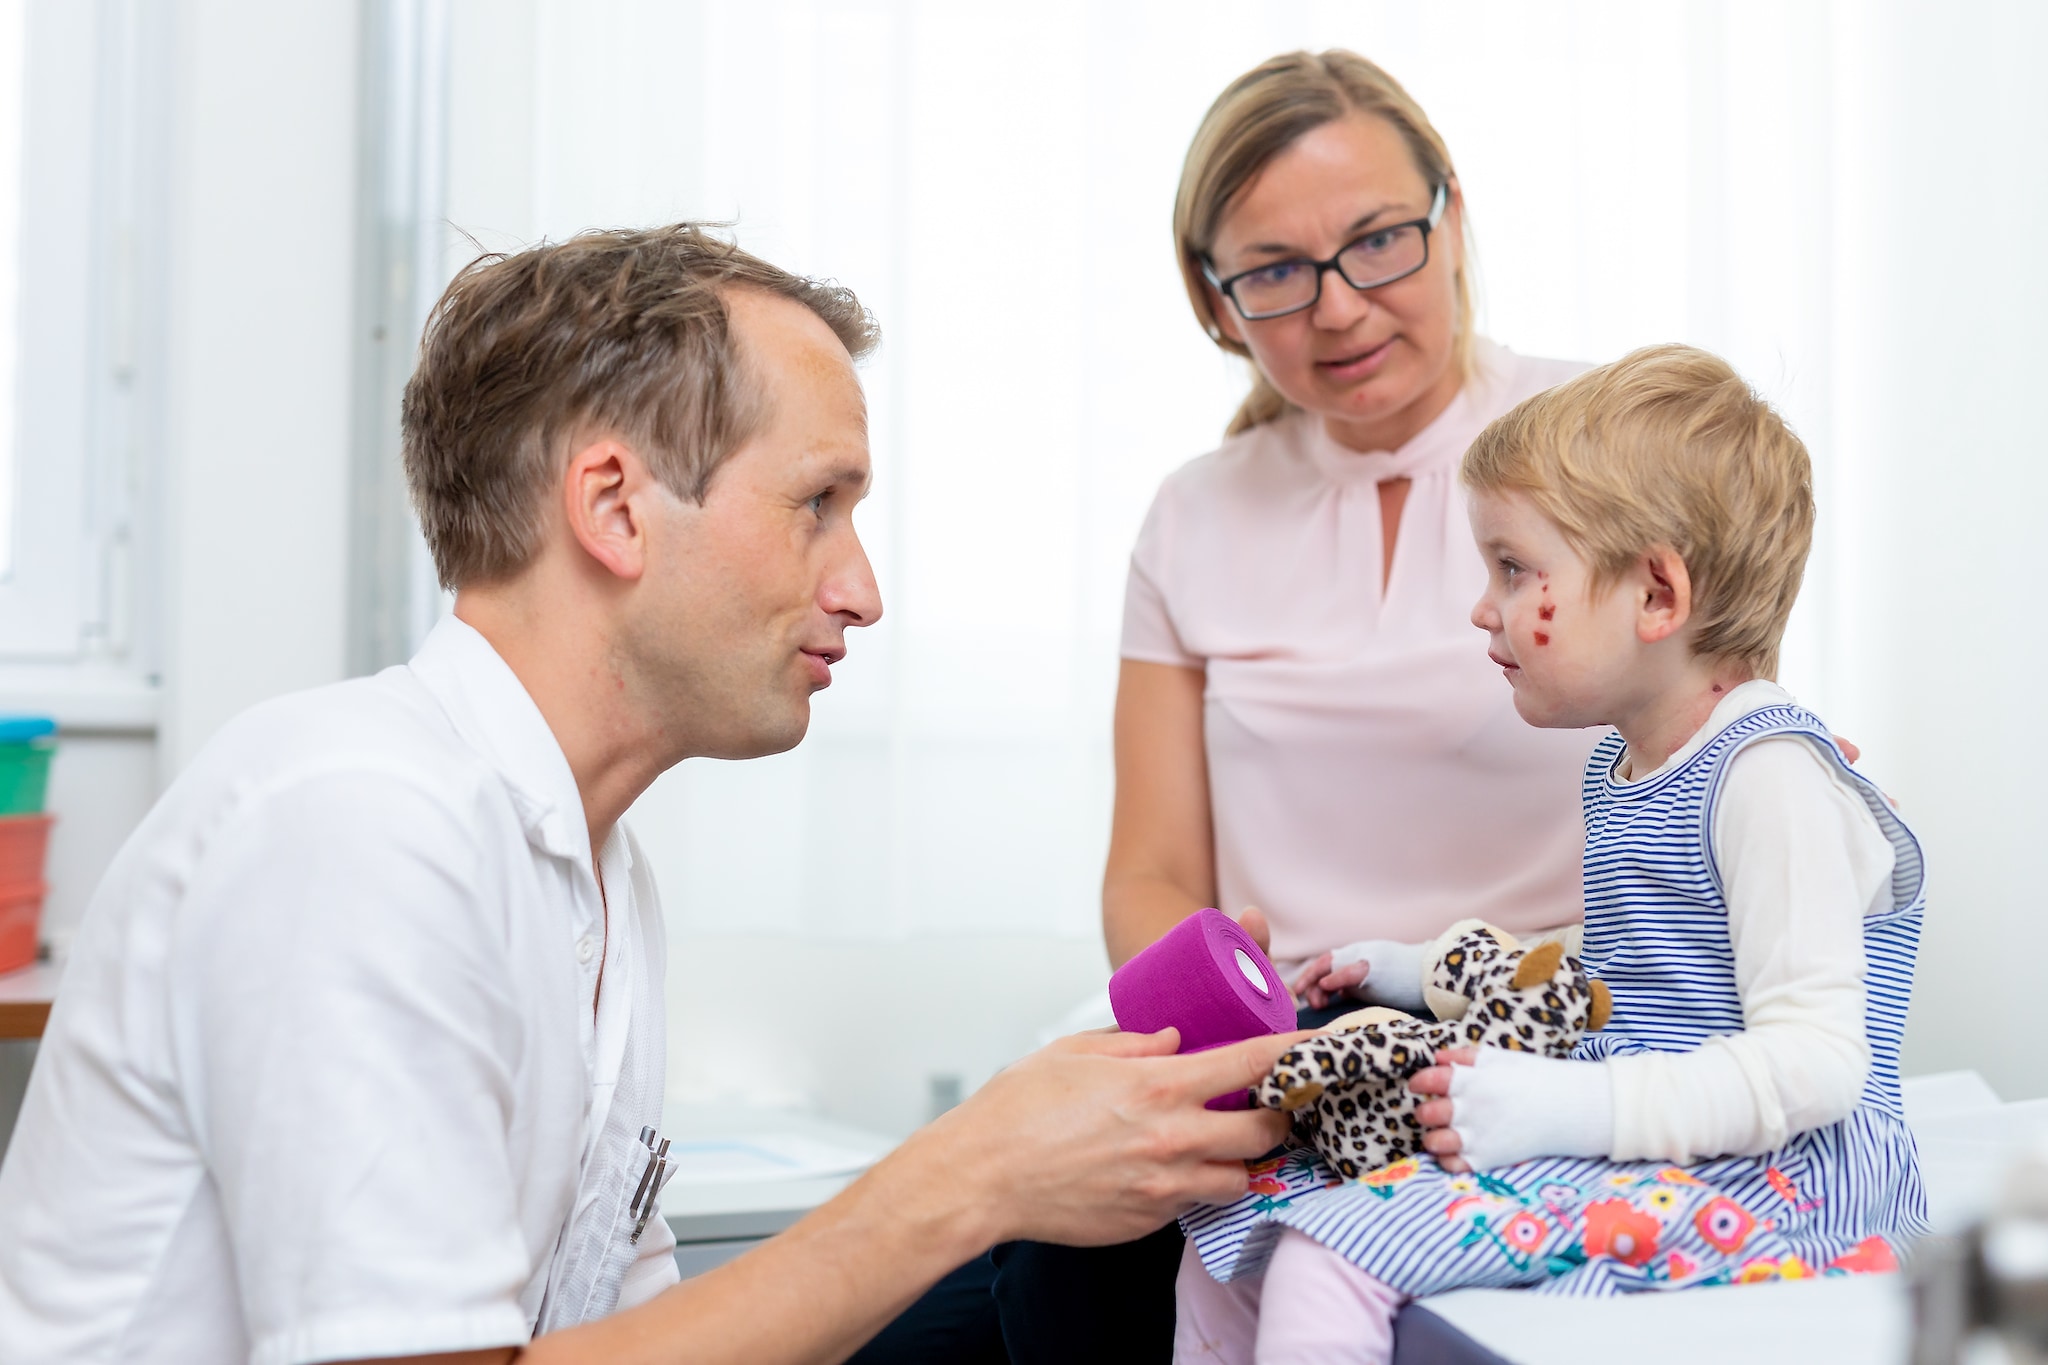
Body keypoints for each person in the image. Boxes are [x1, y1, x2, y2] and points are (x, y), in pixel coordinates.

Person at [0, 226, 1301, 1365]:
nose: (862, 589)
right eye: (818, 505)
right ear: (616, 507)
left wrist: (1004, 1176)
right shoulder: (355, 825)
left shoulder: (595, 876)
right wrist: (968, 1175)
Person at [973, 50, 1600, 1364]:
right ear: (1215, 303)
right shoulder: (1194, 514)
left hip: (1532, 1021)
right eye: (1275, 271)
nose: (1339, 308)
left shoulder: (1595, 442)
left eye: (1378, 242)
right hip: (1276, 1030)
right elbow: (1149, 872)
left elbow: (1710, 734)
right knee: (1034, 1261)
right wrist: (1228, 1041)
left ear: (1453, 217)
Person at [1173, 344, 1927, 1363]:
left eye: (1514, 569)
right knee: (1235, 1229)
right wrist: (1421, 971)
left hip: (1774, 1172)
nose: (1482, 607)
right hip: (1663, 1119)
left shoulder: (1771, 778)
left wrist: (1566, 1105)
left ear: (1656, 596)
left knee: (1323, 1253)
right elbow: (1631, 959)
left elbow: (1817, 1064)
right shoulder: (1629, 761)